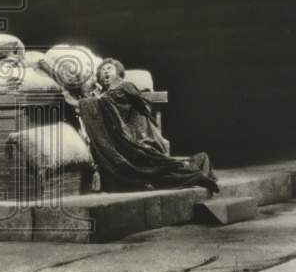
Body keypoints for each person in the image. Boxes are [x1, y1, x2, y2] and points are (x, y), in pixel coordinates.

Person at [76, 57, 219, 194]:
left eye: (110, 68)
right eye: (103, 70)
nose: (106, 71)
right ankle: (197, 176)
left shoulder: (124, 86)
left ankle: (197, 175)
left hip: (135, 143)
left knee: (156, 171)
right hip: (119, 147)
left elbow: (119, 102)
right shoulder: (101, 96)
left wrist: (85, 102)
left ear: (119, 73)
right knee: (148, 178)